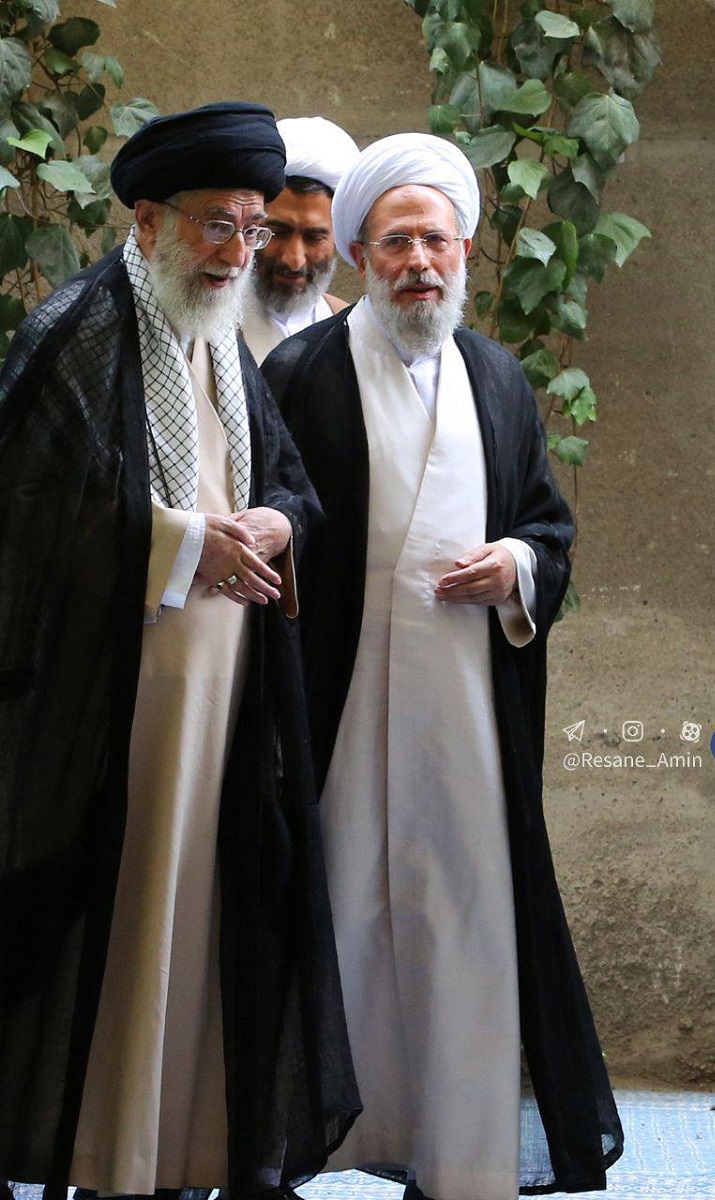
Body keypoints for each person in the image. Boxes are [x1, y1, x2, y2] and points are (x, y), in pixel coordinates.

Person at [0, 102, 359, 1200]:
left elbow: (289, 482)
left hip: (225, 699)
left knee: (205, 922)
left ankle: (177, 1155)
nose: (236, 253)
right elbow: (25, 510)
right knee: (117, 925)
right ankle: (102, 1155)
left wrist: (277, 523)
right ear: (149, 222)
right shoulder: (79, 328)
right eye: (217, 225)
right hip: (119, 705)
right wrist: (184, 544)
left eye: (252, 229)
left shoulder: (218, 342)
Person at [263, 132, 624, 1200]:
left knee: (467, 924)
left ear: (463, 250)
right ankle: (308, 1142)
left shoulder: (498, 377)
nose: (418, 262)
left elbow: (548, 527)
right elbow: (274, 515)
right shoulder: (302, 373)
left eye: (435, 241)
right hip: (339, 705)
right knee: (333, 921)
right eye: (395, 243)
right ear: (360, 256)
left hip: (467, 715)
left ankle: (459, 1162)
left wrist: (515, 565)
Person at [242, 116, 359, 364]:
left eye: (314, 238)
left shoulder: (353, 329)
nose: (294, 260)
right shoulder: (211, 330)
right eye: (278, 232)